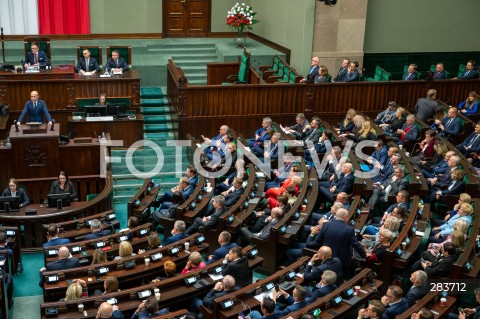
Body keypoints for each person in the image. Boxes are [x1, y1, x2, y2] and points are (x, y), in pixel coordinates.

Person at [306, 208, 365, 278]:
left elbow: (317, 242)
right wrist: (364, 255)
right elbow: (356, 245)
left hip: (326, 258)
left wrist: (311, 236)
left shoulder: (326, 225)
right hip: (342, 261)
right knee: (342, 278)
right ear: (345, 218)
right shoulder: (349, 229)